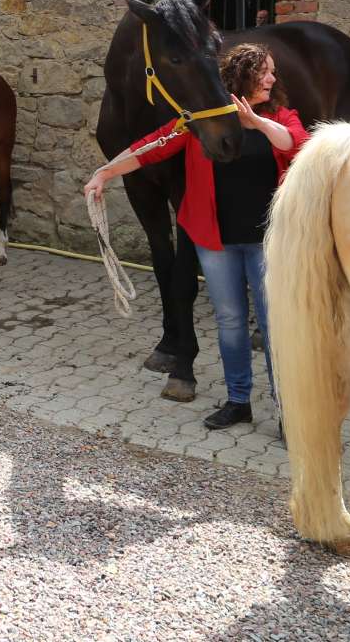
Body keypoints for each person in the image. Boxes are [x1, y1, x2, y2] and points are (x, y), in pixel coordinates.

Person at [84, 43, 307, 431]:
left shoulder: (281, 116)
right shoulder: (202, 120)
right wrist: (105, 173)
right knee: (231, 322)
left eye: (272, 72)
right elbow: (151, 147)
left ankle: (287, 409)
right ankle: (239, 401)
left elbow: (296, 143)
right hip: (214, 240)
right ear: (243, 76)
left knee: (275, 325)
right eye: (265, 72)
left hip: (266, 242)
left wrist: (257, 123)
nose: (272, 78)